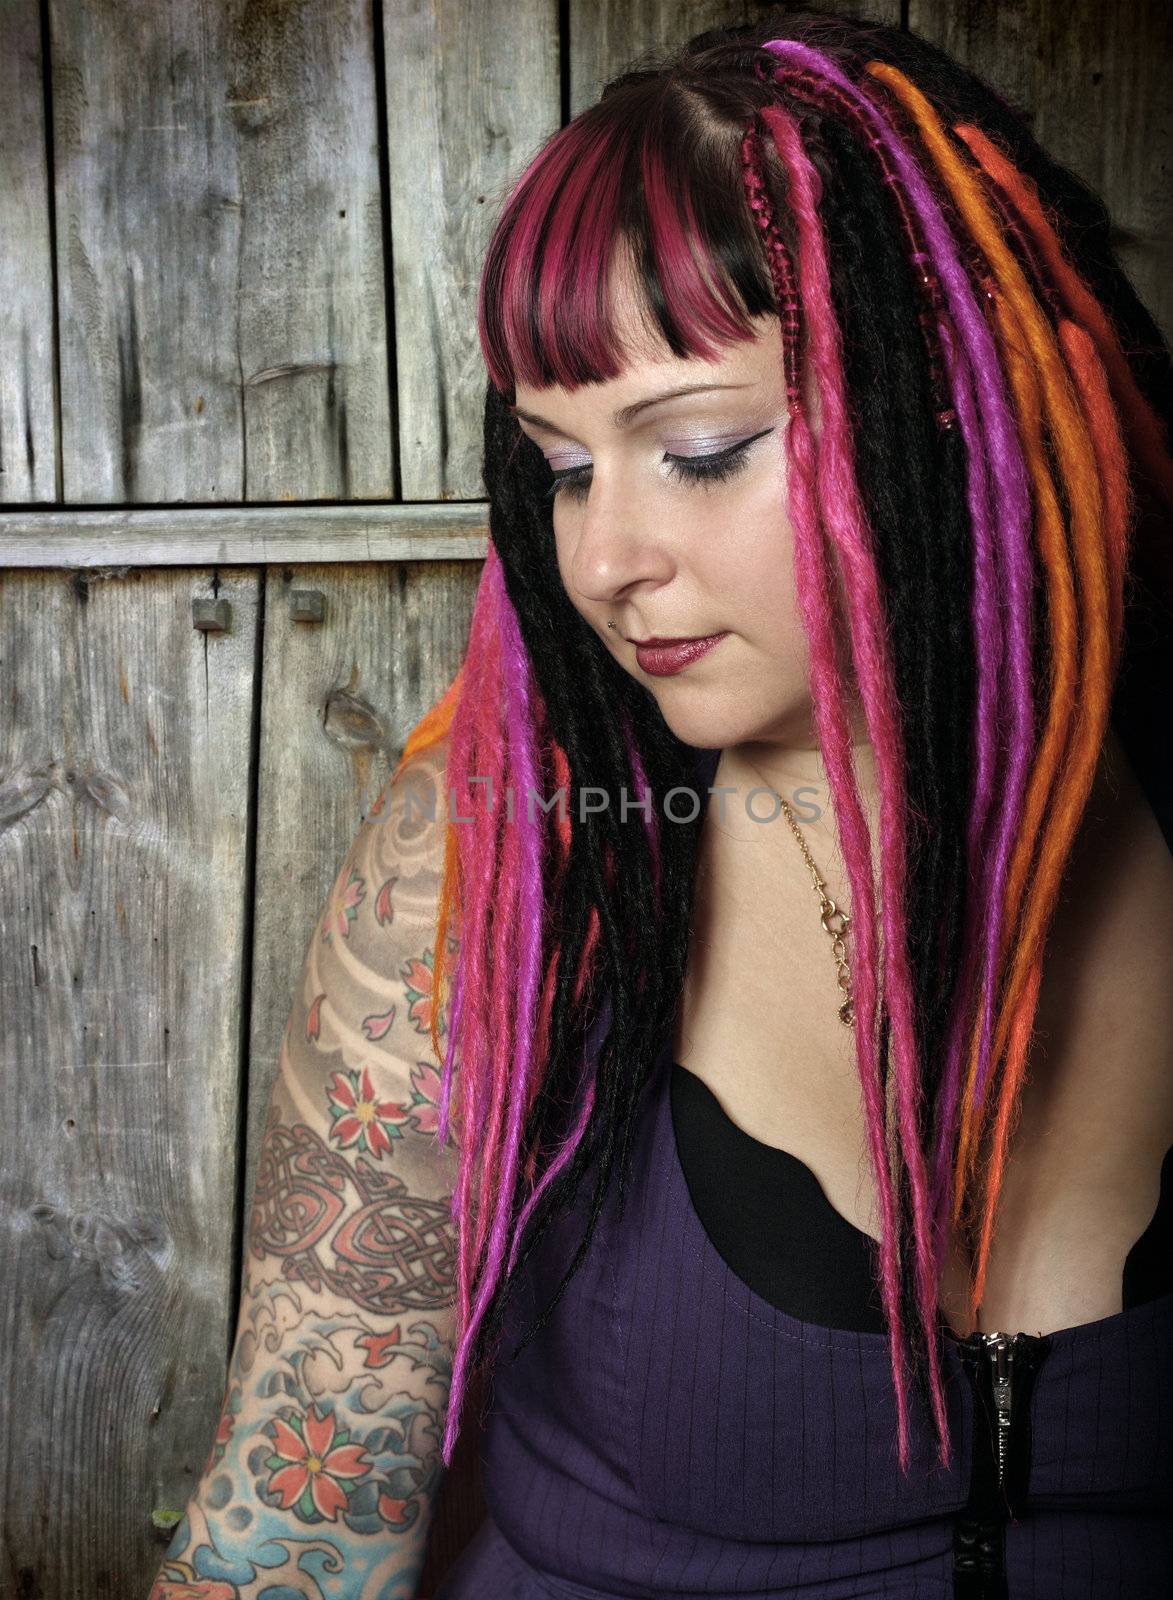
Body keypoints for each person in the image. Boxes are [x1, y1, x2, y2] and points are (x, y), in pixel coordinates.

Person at [149, 8, 1173, 1598]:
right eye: (562, 467)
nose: (601, 557)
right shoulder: (501, 857)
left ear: (958, 398)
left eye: (695, 448)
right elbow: (293, 1526)